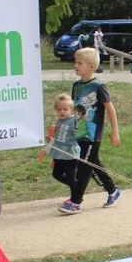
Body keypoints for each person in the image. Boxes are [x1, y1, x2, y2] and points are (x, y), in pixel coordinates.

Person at [53, 47, 121, 214]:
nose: (75, 66)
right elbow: (73, 110)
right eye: (75, 62)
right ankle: (113, 190)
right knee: (92, 164)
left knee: (84, 167)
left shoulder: (99, 86)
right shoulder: (76, 86)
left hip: (91, 135)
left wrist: (115, 132)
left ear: (91, 67)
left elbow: (110, 109)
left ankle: (76, 202)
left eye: (79, 63)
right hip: (78, 133)